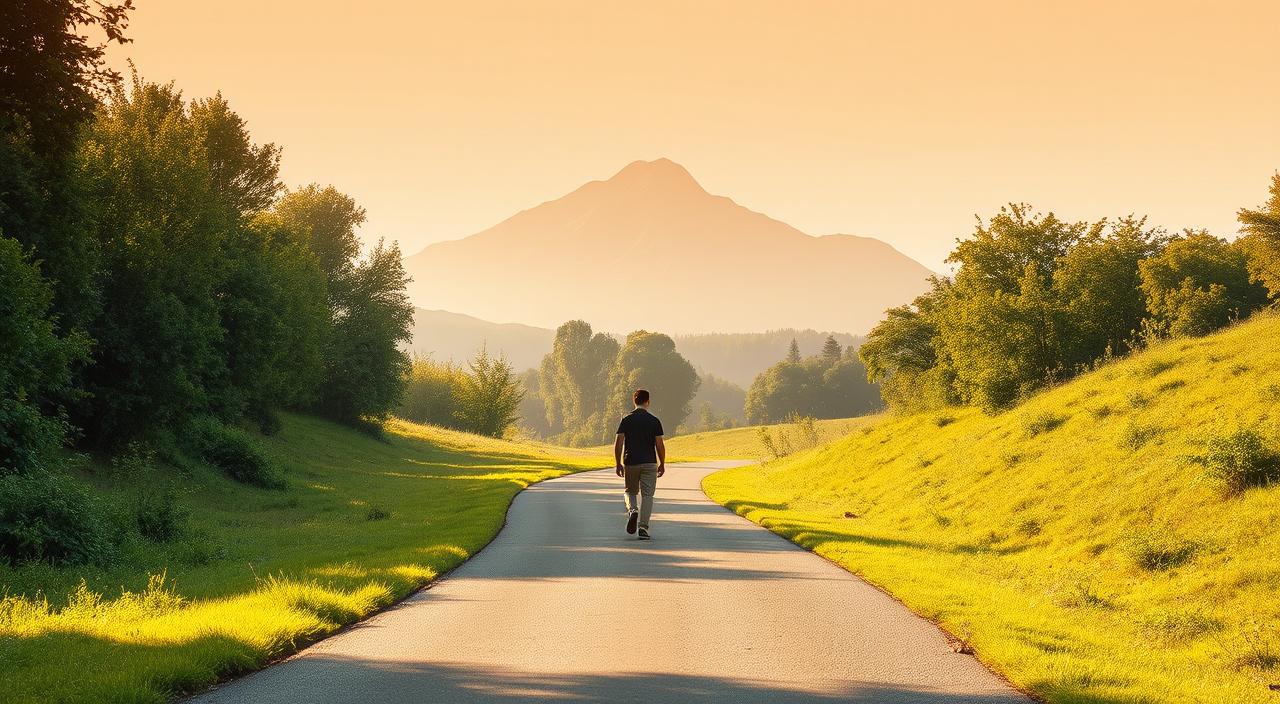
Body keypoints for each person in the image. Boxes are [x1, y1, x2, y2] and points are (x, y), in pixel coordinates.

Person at [614, 388, 665, 540]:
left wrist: (618, 463)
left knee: (630, 491)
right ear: (647, 402)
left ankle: (633, 510)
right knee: (648, 495)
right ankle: (643, 528)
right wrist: (662, 463)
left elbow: (618, 443)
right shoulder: (654, 421)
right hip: (650, 462)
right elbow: (659, 445)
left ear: (634, 401)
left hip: (631, 462)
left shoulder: (626, 419)